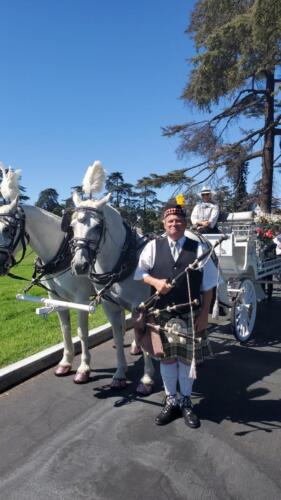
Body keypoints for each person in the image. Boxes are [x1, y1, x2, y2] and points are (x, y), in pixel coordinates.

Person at [134, 203, 218, 428]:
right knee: (167, 359)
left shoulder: (198, 248)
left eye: (178, 221)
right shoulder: (153, 246)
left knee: (186, 360)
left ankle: (186, 402)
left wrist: (204, 315)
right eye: (170, 221)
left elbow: (209, 286)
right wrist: (154, 282)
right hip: (161, 315)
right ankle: (171, 400)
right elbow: (139, 272)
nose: (174, 224)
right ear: (164, 224)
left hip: (190, 313)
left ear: (185, 223)